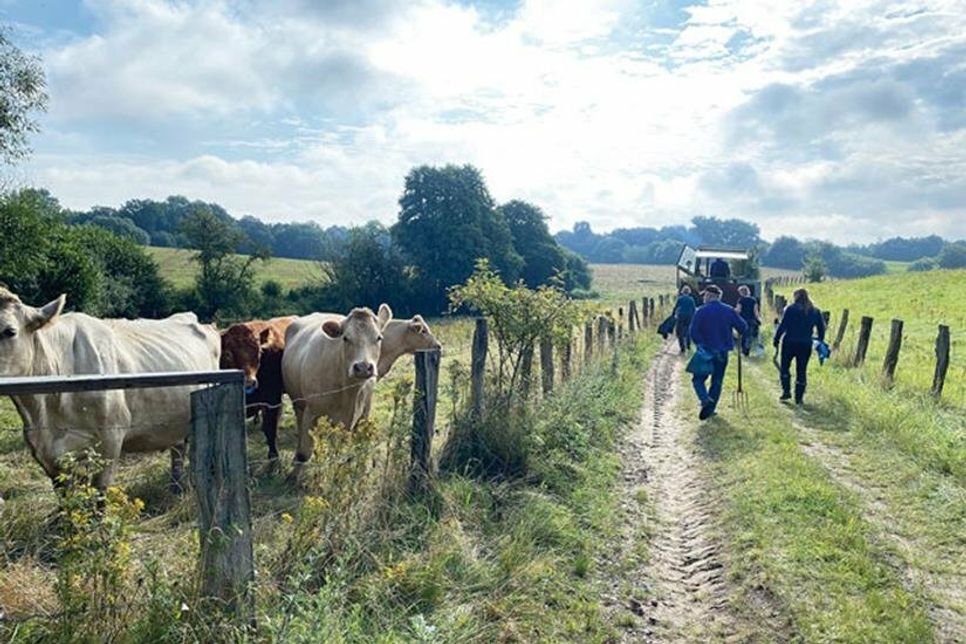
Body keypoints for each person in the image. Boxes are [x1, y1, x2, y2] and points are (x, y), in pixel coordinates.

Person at [688, 284, 748, 420]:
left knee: (698, 379)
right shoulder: (728, 310)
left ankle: (705, 400)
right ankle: (711, 408)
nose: (703, 298)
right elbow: (743, 327)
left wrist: (700, 344)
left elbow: (693, 331)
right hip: (722, 352)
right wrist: (738, 332)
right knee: (717, 381)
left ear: (710, 296)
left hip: (705, 351)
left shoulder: (700, 311)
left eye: (705, 295)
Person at [773, 288, 826, 405]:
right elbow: (821, 329)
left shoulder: (790, 309)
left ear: (796, 296)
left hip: (789, 342)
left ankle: (786, 391)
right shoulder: (815, 311)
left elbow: (783, 326)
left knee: (785, 367)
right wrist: (819, 341)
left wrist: (776, 339)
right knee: (801, 370)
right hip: (805, 343)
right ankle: (799, 398)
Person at [734, 285, 761, 357]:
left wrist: (733, 311)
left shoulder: (741, 300)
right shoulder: (753, 300)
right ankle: (747, 350)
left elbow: (738, 310)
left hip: (743, 320)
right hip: (751, 320)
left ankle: (743, 351)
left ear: (742, 292)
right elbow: (756, 312)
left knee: (743, 336)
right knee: (749, 336)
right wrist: (758, 319)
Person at [672, 285, 697, 353]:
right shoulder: (691, 299)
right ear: (689, 292)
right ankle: (688, 345)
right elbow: (694, 309)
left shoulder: (680, 299)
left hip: (681, 316)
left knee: (679, 332)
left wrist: (673, 315)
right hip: (689, 316)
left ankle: (682, 348)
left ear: (682, 292)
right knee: (688, 330)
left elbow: (676, 307)